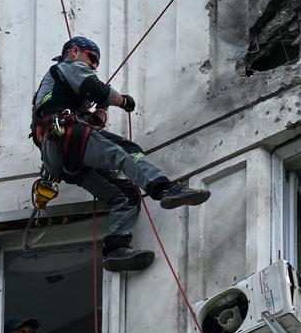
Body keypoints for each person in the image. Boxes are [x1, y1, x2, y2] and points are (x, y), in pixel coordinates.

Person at [31, 36, 210, 272]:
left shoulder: (57, 92)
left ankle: (116, 249)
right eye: (91, 58)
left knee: (124, 195)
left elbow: (93, 122)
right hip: (67, 137)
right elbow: (94, 89)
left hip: (62, 158)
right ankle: (165, 188)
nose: (93, 66)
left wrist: (101, 109)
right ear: (75, 51)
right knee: (126, 152)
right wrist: (123, 101)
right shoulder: (68, 67)